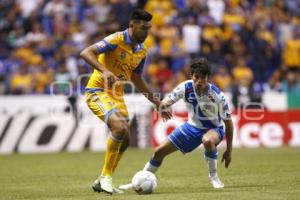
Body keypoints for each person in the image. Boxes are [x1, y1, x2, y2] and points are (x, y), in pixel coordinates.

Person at [80, 9, 170, 194]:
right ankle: (106, 177)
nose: (146, 32)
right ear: (132, 26)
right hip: (98, 90)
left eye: (149, 28)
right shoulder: (116, 40)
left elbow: (137, 79)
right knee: (119, 129)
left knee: (126, 139)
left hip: (117, 95)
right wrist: (104, 70)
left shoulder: (142, 51)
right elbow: (86, 52)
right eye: (143, 28)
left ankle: (101, 181)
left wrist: (156, 102)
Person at [121, 58, 233, 190]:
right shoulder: (185, 88)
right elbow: (165, 102)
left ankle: (214, 177)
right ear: (192, 76)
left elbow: (229, 124)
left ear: (208, 78)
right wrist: (161, 107)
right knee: (158, 152)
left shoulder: (217, 95)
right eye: (197, 77)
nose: (199, 81)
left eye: (203, 78)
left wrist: (229, 150)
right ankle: (139, 182)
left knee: (208, 141)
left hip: (214, 129)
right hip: (192, 127)